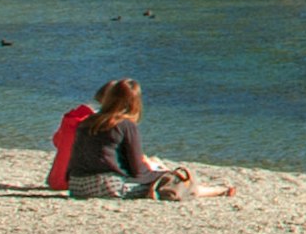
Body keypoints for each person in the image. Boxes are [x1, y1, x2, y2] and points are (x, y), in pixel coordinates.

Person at [64, 83, 230, 201]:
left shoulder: (87, 121)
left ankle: (213, 189)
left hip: (76, 185)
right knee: (174, 181)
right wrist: (162, 173)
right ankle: (213, 191)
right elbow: (139, 171)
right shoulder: (125, 125)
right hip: (107, 187)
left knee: (168, 178)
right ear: (135, 103)